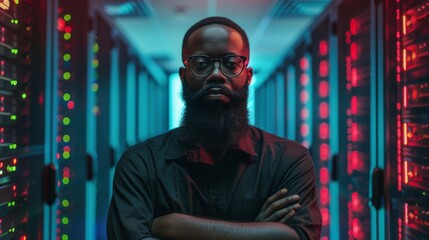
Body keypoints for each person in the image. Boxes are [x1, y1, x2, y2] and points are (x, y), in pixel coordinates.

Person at [107, 16, 321, 240]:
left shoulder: (288, 160)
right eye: (201, 64)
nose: (217, 75)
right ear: (183, 76)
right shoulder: (141, 163)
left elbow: (301, 236)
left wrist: (173, 227)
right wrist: (256, 232)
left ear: (247, 77)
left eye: (231, 64)